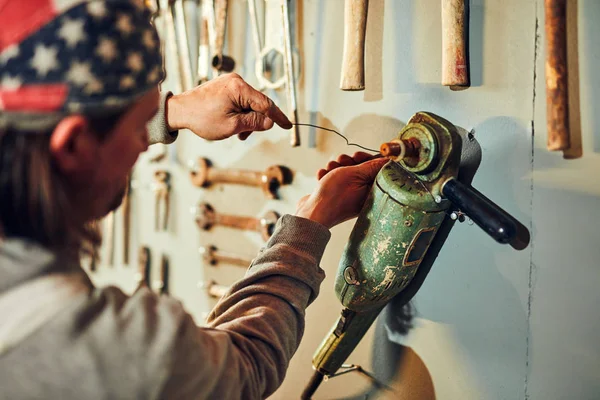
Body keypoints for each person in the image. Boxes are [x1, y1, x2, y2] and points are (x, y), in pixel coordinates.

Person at [0, 1, 387, 398]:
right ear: (74, 146)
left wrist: (172, 111)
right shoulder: (109, 350)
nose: (144, 148)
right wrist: (310, 223)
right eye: (139, 131)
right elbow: (245, 364)